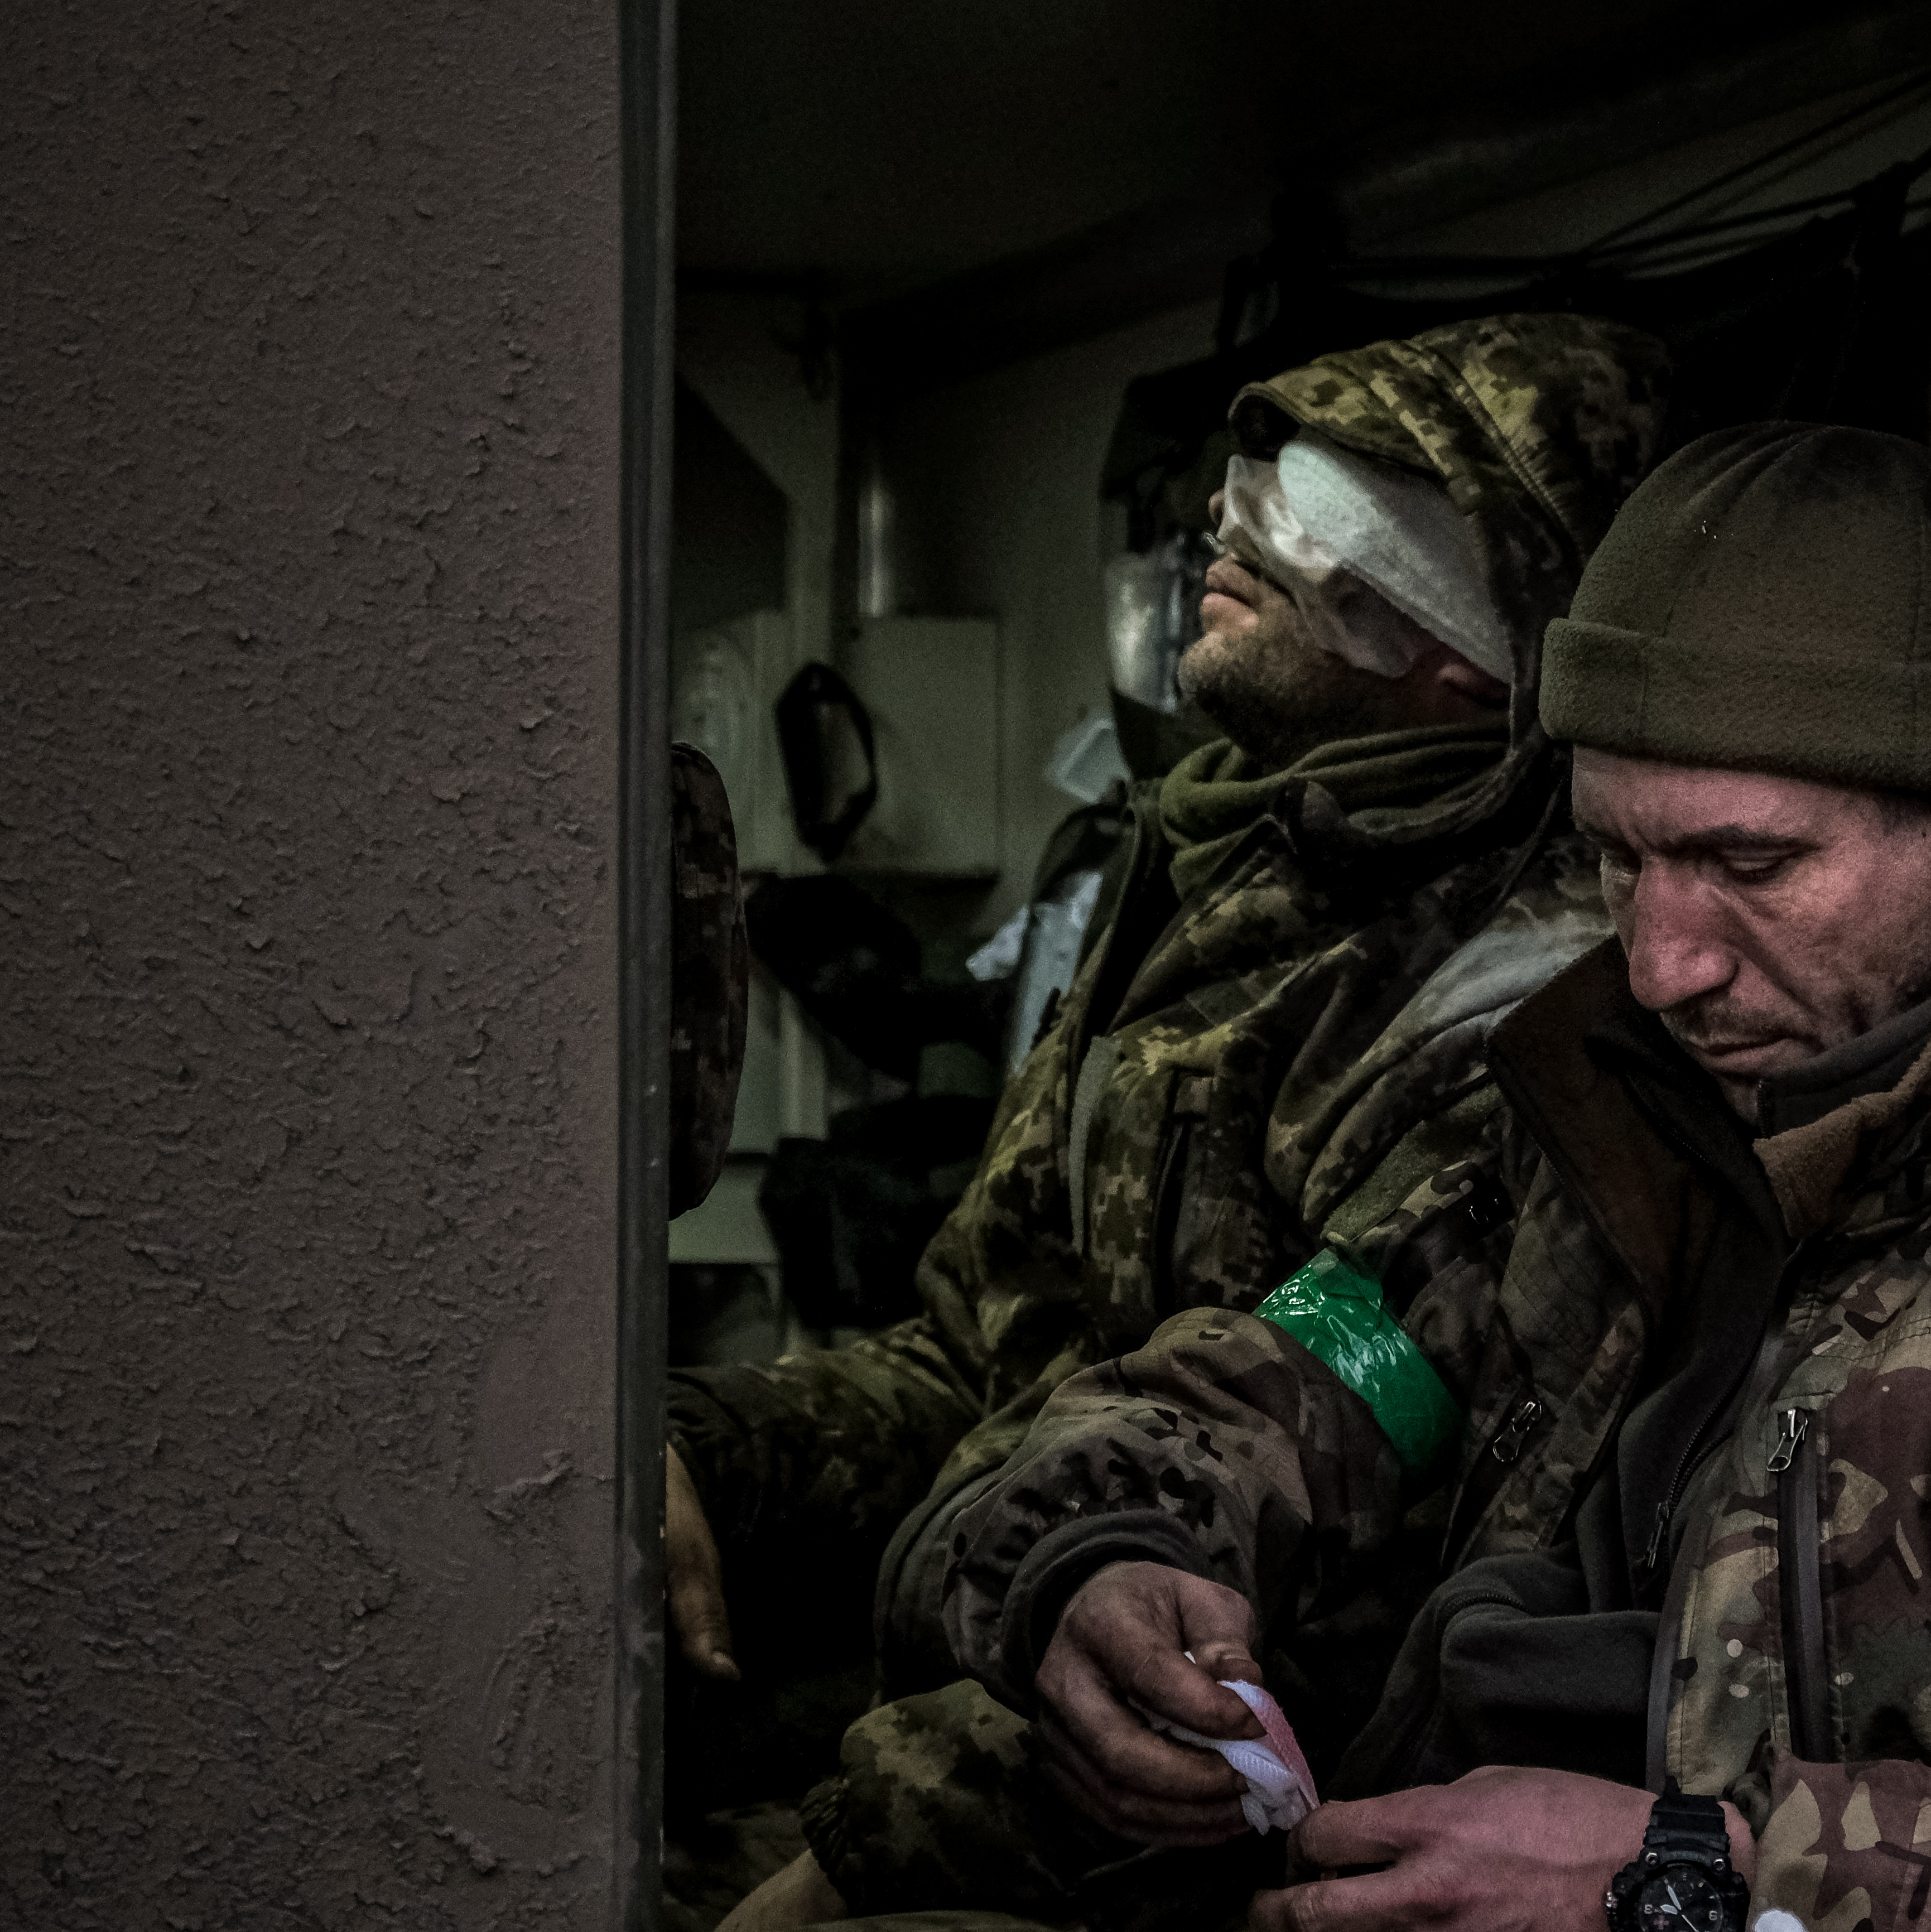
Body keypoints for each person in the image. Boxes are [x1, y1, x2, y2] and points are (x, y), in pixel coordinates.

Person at [944, 423, 1931, 1932]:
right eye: (1619, 859)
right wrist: (1107, 1565)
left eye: (1754, 867)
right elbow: (1300, 1382)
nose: (1663, 959)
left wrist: (1686, 1886)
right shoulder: (1626, 1121)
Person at [668, 312, 1673, 1928]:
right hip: (998, 1635)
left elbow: (1339, 1474)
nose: (1228, 529)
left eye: (1314, 526)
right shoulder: (1209, 878)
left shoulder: (1538, 1004)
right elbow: (974, 1354)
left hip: (1202, 1794)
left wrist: (832, 1869)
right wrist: (689, 1453)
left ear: (1457, 646)